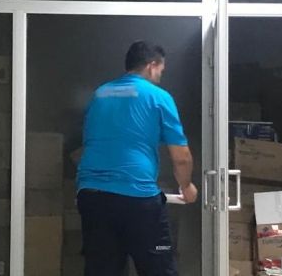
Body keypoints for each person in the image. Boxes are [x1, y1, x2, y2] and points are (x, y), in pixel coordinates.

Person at [76, 40, 198, 276]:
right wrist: (187, 186)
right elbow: (181, 157)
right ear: (152, 66)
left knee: (101, 269)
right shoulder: (158, 97)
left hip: (92, 196)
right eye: (161, 70)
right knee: (159, 268)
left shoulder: (100, 94)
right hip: (137, 199)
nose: (160, 76)